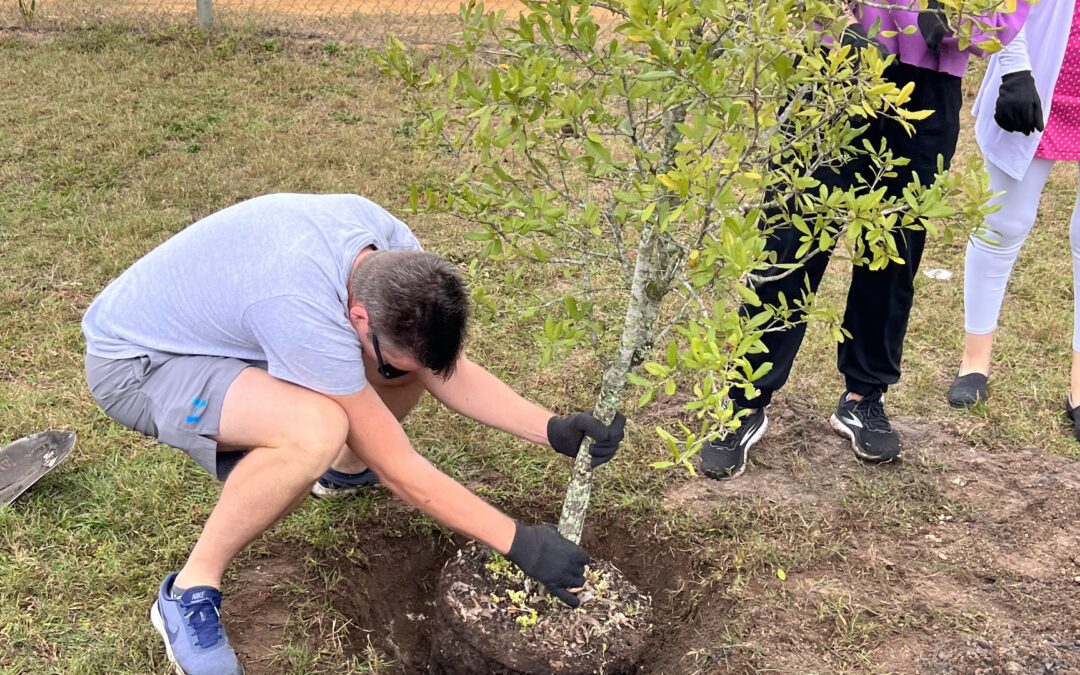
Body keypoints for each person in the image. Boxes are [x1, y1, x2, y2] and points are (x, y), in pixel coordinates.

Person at [81, 193, 626, 675]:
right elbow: (401, 468)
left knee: (389, 374)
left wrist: (549, 428)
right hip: (141, 363)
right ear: (359, 316)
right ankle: (188, 592)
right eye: (386, 361)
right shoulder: (299, 307)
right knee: (312, 430)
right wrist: (519, 543)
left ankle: (340, 476)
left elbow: (437, 368)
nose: (392, 374)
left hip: (230, 330)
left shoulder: (393, 251)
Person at [699, 1, 1029, 480]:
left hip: (928, 84)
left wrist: (964, 23)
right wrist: (840, 21)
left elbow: (1005, 9)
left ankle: (864, 396)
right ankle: (742, 400)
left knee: (894, 248)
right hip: (835, 67)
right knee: (791, 238)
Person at [948, 0, 1080, 441]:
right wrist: (1014, 70)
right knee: (1003, 223)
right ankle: (974, 361)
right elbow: (1003, 6)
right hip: (1041, 75)